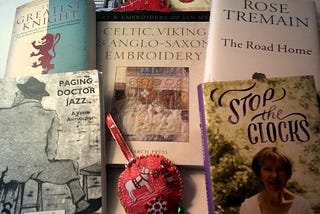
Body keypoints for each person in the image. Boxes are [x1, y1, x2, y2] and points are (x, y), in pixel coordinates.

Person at [0, 77, 101, 214]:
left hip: (7, 168)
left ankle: (7, 205)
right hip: (36, 167)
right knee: (69, 165)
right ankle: (81, 203)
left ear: (22, 95)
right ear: (40, 97)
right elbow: (51, 152)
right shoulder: (50, 115)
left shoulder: (3, 113)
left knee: (14, 170)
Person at [240, 147, 313, 214]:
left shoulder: (301, 206)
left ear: (287, 174)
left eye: (280, 169)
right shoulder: (248, 207)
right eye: (268, 169)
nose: (275, 175)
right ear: (259, 174)